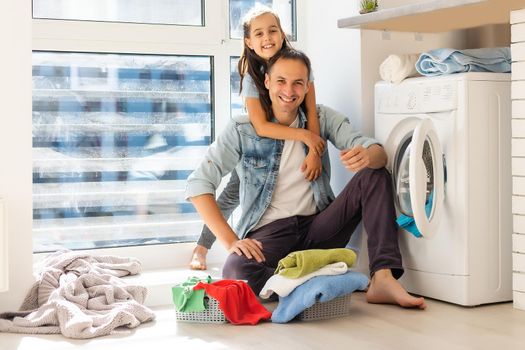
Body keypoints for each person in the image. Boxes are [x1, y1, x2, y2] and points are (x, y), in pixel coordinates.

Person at [185, 48, 426, 309]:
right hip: (270, 234)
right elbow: (199, 184)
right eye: (281, 81)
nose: (289, 91)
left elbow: (376, 151)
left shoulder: (322, 118)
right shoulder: (242, 130)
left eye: (298, 83)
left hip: (319, 228)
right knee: (236, 271)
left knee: (374, 174)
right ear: (266, 83)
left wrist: (369, 156)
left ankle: (382, 276)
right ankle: (318, 280)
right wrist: (231, 241)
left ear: (307, 87)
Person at [189, 5, 325, 270]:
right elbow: (261, 127)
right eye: (259, 33)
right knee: (230, 195)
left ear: (283, 34)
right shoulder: (253, 77)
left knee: (233, 194)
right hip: (258, 149)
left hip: (286, 147)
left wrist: (314, 151)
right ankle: (202, 247)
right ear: (249, 43)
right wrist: (304, 137)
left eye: (273, 30)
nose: (267, 38)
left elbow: (312, 112)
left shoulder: (299, 66)